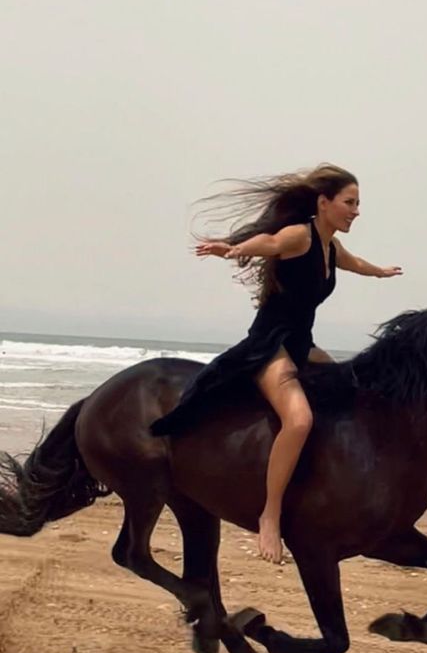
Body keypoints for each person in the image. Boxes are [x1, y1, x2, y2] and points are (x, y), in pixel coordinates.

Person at [150, 164, 402, 563]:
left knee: (351, 387)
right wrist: (233, 249)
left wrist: (381, 273)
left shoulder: (330, 246)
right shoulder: (300, 235)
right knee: (299, 420)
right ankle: (270, 515)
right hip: (270, 345)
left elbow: (355, 264)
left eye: (358, 204)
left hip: (301, 344)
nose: (356, 211)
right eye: (349, 203)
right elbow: (269, 241)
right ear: (324, 202)